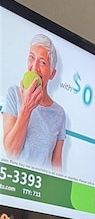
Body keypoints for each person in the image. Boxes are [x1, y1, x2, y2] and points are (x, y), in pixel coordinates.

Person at [3, 34, 66, 170]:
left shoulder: (59, 113)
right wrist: (26, 109)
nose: (34, 68)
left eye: (43, 62)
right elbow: (11, 153)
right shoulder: (13, 94)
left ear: (52, 73)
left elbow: (56, 165)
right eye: (32, 58)